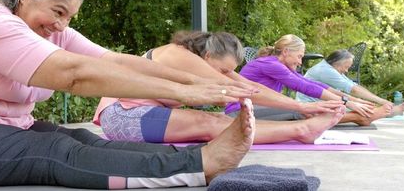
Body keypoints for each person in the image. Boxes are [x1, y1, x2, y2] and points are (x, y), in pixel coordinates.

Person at [0, 0, 259, 189]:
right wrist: (182, 92)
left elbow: (115, 61)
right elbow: (73, 74)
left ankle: (194, 156)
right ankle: (200, 165)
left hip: (6, 130)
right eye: (58, 11)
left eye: (70, 16)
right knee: (53, 149)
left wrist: (199, 81)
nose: (62, 25)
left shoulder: (53, 32)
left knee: (86, 139)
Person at [94, 31, 345, 145]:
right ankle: (301, 130)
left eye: (229, 69)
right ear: (209, 54)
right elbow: (236, 86)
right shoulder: (180, 55)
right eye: (223, 68)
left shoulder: (201, 59)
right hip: (122, 117)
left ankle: (300, 127)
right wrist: (301, 106)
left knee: (215, 120)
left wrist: (303, 105)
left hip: (141, 116)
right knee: (210, 123)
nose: (226, 74)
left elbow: (247, 84)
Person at [238, 34, 392, 126]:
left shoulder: (278, 64)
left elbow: (313, 84)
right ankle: (358, 118)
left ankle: (359, 117)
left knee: (306, 108)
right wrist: (348, 103)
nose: (300, 62)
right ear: (285, 52)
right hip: (239, 112)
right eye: (299, 56)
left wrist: (350, 100)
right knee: (303, 109)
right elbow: (304, 86)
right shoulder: (271, 64)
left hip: (254, 108)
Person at [296, 49, 404, 119]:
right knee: (359, 110)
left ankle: (384, 110)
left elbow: (351, 89)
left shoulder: (331, 68)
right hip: (311, 107)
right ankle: (386, 111)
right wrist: (382, 101)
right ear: (337, 64)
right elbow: (354, 90)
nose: (347, 71)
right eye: (346, 67)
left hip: (321, 104)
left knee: (359, 105)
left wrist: (361, 101)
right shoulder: (326, 71)